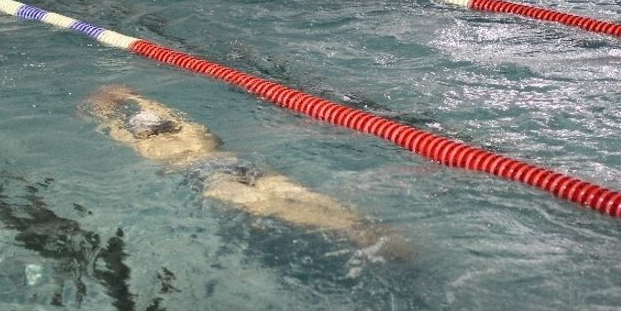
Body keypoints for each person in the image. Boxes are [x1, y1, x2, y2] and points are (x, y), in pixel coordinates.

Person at [80, 85, 403, 257]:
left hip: (206, 174)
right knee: (297, 192)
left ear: (140, 132)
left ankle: (347, 233)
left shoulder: (146, 145)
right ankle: (360, 225)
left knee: (267, 205)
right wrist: (137, 96)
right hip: (239, 161)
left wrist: (106, 106)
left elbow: (106, 123)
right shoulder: (195, 130)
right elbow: (166, 113)